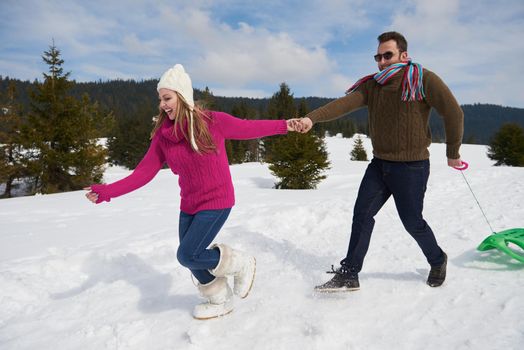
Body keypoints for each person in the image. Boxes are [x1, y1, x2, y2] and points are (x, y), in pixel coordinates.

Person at [85, 64, 297, 319]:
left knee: (187, 254)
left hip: (218, 201)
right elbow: (142, 173)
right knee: (191, 258)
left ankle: (241, 263)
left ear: (182, 96)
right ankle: (220, 299)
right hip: (190, 204)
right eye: (160, 99)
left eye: (167, 98)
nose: (163, 104)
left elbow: (250, 127)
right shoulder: (163, 137)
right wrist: (108, 192)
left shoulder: (212, 122)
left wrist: (287, 125)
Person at [294, 31, 464, 291]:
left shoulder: (424, 79)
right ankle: (350, 273)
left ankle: (438, 259)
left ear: (403, 55)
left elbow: (453, 112)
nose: (382, 61)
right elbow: (344, 104)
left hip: (412, 167)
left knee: (412, 222)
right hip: (380, 164)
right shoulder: (373, 85)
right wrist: (311, 118)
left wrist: (453, 152)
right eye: (378, 56)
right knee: (362, 215)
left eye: (388, 55)